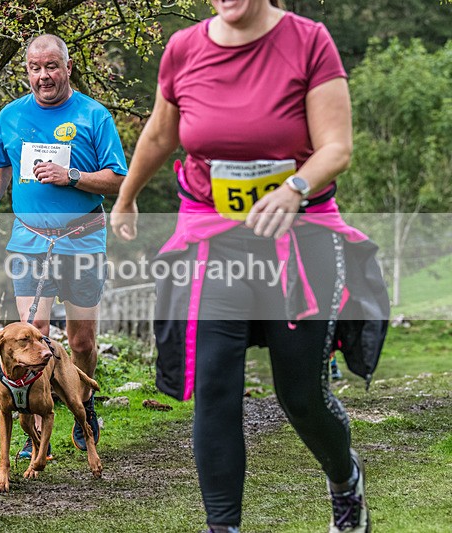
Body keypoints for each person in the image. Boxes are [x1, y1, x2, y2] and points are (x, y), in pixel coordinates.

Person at [110, 1, 387, 532]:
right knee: (213, 386)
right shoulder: (185, 49)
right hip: (216, 244)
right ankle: (223, 527)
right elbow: (160, 135)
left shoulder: (308, 42)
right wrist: (127, 197)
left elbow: (337, 146)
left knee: (301, 395)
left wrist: (295, 188)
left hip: (298, 239)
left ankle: (344, 478)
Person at [0, 34, 128, 459]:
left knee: (80, 340)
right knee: (35, 334)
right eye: (35, 68)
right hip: (29, 240)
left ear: (67, 68)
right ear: (26, 71)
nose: (43, 76)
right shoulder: (10, 115)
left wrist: (72, 177)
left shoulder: (93, 116)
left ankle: (83, 404)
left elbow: (118, 179)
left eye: (51, 67)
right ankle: (36, 427)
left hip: (81, 238)